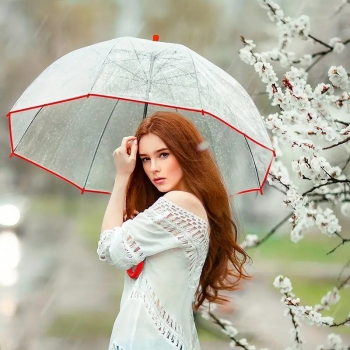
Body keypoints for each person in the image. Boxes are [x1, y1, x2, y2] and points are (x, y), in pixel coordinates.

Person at [97, 111, 250, 350]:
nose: (154, 168)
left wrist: (121, 176)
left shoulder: (180, 202)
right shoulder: (186, 206)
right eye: (145, 159)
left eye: (163, 154)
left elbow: (110, 250)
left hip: (149, 341)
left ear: (185, 153)